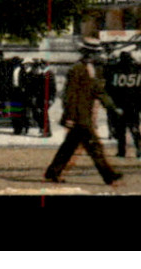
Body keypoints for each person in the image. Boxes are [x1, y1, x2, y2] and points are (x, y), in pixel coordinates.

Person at [43, 50, 123, 186]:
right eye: (95, 53)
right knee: (95, 146)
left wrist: (113, 108)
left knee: (68, 147)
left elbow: (99, 91)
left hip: (84, 115)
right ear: (88, 55)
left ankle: (53, 172)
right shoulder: (76, 70)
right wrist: (70, 117)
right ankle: (108, 175)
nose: (99, 56)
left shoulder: (94, 70)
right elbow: (69, 94)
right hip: (79, 117)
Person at [108, 51, 141, 160]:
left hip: (120, 105)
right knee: (135, 128)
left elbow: (111, 89)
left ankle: (121, 151)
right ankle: (139, 151)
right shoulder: (137, 72)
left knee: (120, 130)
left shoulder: (115, 71)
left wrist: (113, 105)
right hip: (133, 105)